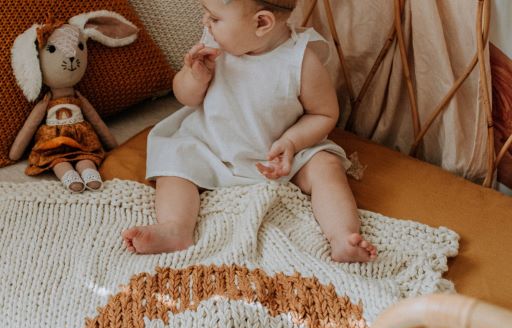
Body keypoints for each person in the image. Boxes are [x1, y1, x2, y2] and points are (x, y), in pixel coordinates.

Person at [122, 0, 377, 262]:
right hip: (210, 144)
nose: (205, 23)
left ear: (261, 23)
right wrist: (194, 77)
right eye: (206, 16)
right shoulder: (212, 45)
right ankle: (175, 227)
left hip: (279, 154)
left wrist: (291, 142)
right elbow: (186, 98)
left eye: (215, 19)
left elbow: (323, 113)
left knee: (327, 166)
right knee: (174, 160)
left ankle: (342, 236)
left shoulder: (300, 61)